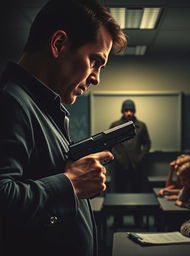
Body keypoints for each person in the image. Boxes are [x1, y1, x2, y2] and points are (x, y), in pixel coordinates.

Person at [0, 0, 126, 255]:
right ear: (59, 44)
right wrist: (71, 184)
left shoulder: (38, 106)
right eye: (94, 61)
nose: (96, 78)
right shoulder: (11, 101)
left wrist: (72, 177)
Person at [109, 99, 151, 226]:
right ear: (122, 111)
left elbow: (147, 144)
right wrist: (118, 158)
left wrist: (140, 158)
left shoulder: (141, 126)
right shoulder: (115, 125)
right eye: (126, 110)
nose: (129, 113)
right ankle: (118, 220)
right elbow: (110, 144)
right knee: (118, 193)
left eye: (131, 110)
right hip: (119, 166)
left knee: (138, 192)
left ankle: (138, 220)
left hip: (136, 166)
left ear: (134, 111)